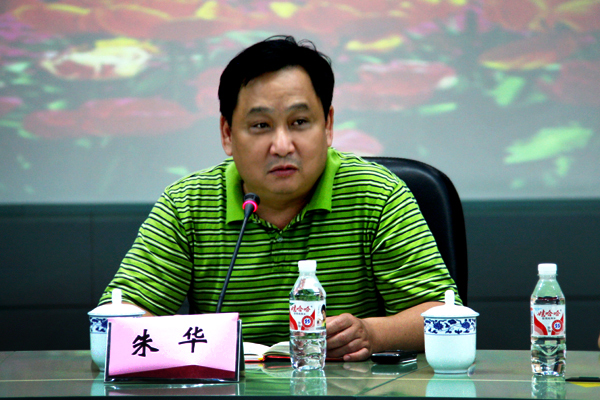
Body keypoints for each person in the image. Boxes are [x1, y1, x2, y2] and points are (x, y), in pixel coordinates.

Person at [99, 35, 460, 362]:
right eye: (261, 126)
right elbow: (118, 316)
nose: (283, 146)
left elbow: (444, 314)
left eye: (299, 122)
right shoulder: (188, 205)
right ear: (227, 134)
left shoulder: (377, 195)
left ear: (328, 125)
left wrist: (372, 334)